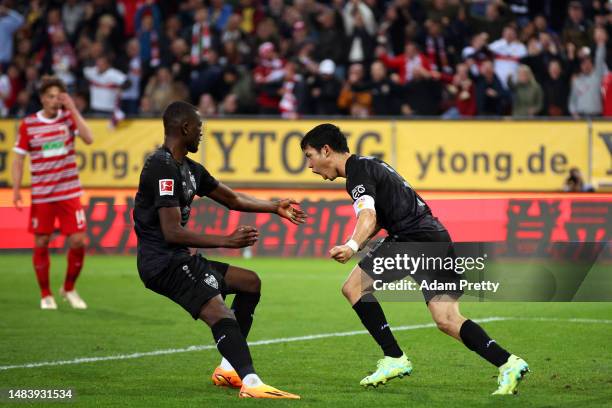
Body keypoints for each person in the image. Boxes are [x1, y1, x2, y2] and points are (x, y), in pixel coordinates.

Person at [300, 123, 529, 395]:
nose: (310, 166)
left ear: (326, 150)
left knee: (353, 288)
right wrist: (359, 243)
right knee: (446, 319)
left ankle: (394, 357)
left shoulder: (357, 174)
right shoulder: (371, 165)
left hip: (412, 239)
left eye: (310, 156)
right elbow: (379, 218)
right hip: (435, 237)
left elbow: (368, 215)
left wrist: (351, 246)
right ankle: (507, 362)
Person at [133, 101, 304, 399]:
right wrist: (227, 240)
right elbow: (171, 232)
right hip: (162, 263)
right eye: (199, 128)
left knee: (249, 283)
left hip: (180, 257)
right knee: (218, 311)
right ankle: (251, 382)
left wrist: (275, 207)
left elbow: (233, 199)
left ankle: (228, 368)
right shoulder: (161, 166)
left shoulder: (191, 169)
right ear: (185, 128)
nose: (201, 134)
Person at [12, 76, 94, 310]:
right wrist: (17, 189)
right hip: (43, 195)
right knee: (42, 241)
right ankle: (46, 293)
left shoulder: (68, 119)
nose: (54, 100)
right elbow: (18, 159)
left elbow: (89, 138)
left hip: (69, 193)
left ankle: (69, 288)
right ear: (41, 99)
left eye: (58, 96)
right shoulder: (29, 124)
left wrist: (73, 108)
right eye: (50, 96)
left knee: (78, 240)